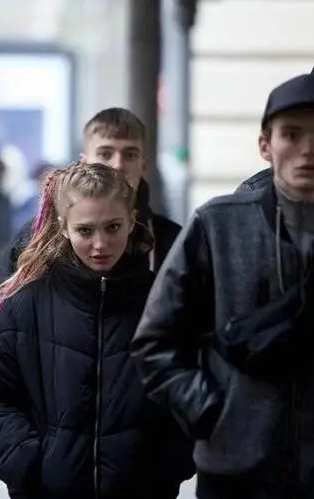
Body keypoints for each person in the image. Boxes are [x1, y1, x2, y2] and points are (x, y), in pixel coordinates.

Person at [131, 68, 314, 498]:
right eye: (291, 134)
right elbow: (156, 341)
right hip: (236, 470)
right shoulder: (219, 225)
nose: (307, 150)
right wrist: (211, 414)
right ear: (265, 145)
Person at [0, 162, 194, 499]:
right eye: (86, 231)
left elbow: (187, 390)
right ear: (64, 227)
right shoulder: (26, 304)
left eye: (112, 227)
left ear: (131, 220)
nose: (100, 244)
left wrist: (165, 468)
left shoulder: (163, 303)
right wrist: (25, 462)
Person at [0, 107, 181, 314]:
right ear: (84, 161)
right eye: (105, 154)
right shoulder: (36, 238)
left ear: (143, 165)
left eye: (130, 155)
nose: (118, 165)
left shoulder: (170, 240)